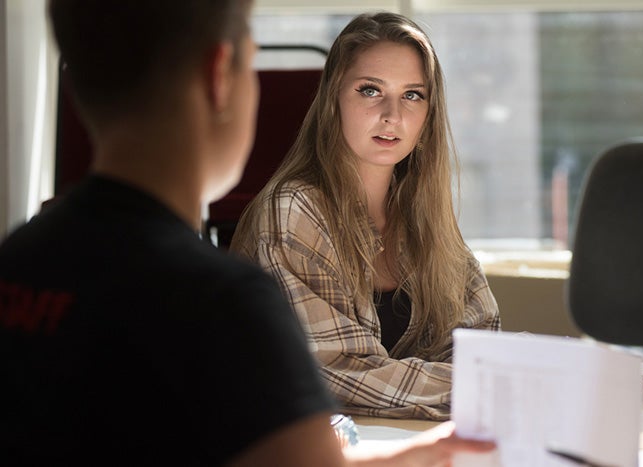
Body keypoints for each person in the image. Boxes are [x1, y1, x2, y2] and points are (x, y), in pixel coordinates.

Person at [0, 1, 496, 466]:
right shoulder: (220, 304)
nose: (393, 113)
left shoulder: (17, 260)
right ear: (221, 76)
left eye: (412, 95)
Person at [230, 11, 501, 421]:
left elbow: (482, 341)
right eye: (371, 90)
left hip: (405, 443)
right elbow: (342, 372)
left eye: (413, 95)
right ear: (333, 100)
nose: (393, 115)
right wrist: (488, 383)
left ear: (429, 116)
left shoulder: (423, 213)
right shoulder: (294, 211)